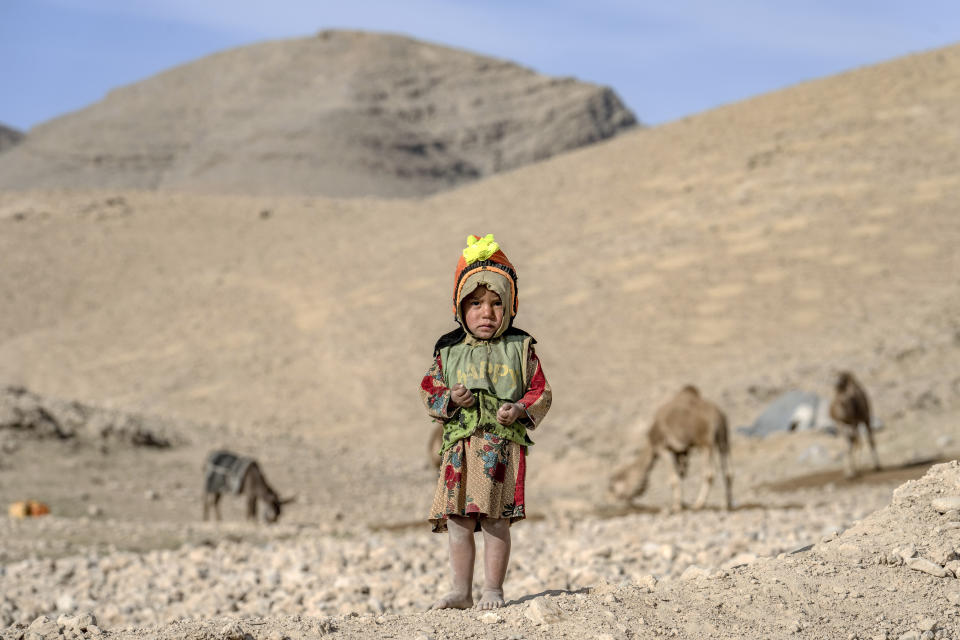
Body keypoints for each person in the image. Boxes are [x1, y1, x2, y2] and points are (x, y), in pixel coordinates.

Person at [419, 234, 552, 610]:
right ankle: (460, 591)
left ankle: (493, 589)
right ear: (460, 308)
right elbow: (429, 390)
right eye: (475, 304)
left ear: (510, 307)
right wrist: (450, 399)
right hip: (459, 448)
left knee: (496, 521)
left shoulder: (521, 348)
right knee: (459, 521)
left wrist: (519, 409)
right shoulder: (448, 349)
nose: (486, 313)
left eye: (496, 304)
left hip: (499, 451)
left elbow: (541, 392)